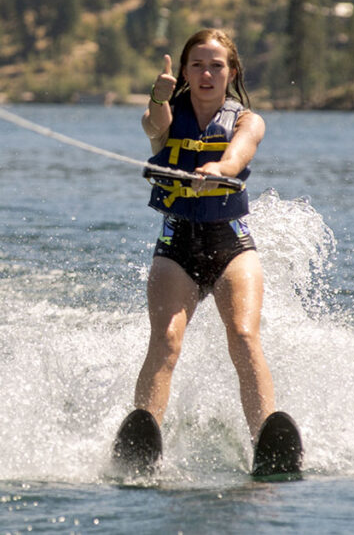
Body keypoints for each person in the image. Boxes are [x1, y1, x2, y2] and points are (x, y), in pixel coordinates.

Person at [128, 28, 276, 444]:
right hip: (177, 246)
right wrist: (158, 97)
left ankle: (266, 436)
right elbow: (154, 125)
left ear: (231, 72)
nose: (207, 74)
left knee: (244, 336)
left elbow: (240, 151)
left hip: (231, 245)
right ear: (186, 72)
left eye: (216, 66)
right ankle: (144, 435)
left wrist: (220, 170)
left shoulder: (248, 120)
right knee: (167, 339)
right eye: (197, 65)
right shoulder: (168, 115)